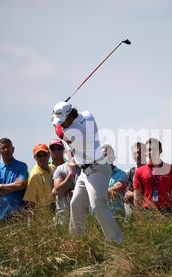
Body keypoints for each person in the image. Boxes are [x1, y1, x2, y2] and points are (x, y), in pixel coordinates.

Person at [52, 101, 123, 243]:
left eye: (62, 121)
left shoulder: (74, 132)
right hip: (85, 171)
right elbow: (68, 118)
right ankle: (76, 242)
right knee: (76, 203)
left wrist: (53, 116)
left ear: (70, 117)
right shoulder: (87, 115)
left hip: (98, 170)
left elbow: (58, 131)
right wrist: (59, 110)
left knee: (97, 207)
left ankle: (117, 242)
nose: (61, 124)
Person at [133, 138, 172, 215]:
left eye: (154, 149)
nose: (151, 152)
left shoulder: (171, 169)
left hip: (166, 212)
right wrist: (138, 216)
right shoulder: (139, 171)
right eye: (149, 149)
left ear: (160, 150)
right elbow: (137, 196)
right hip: (147, 212)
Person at [0, 138, 28, 221]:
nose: (6, 150)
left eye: (8, 147)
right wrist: (12, 188)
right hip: (0, 216)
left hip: (18, 215)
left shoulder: (22, 166)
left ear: (13, 149)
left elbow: (20, 185)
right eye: (3, 148)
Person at [23, 144, 56, 211]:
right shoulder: (34, 175)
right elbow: (30, 202)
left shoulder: (53, 168)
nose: (42, 158)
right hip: (43, 213)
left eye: (44, 155)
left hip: (55, 208)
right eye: (39, 156)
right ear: (35, 158)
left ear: (49, 154)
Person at [52, 156, 81, 224]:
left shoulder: (87, 168)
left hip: (82, 213)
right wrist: (71, 173)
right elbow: (58, 190)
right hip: (64, 215)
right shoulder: (61, 168)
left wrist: (74, 192)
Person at [102, 144, 128, 216]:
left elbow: (117, 189)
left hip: (116, 216)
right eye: (103, 156)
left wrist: (97, 191)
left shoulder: (121, 174)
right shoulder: (95, 175)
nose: (105, 158)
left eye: (107, 155)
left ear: (113, 158)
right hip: (98, 217)